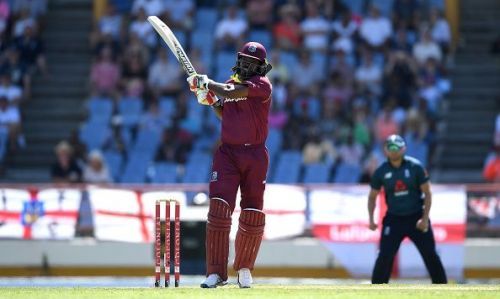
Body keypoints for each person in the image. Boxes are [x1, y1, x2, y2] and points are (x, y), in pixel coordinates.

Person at [186, 41, 272, 288]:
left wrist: (207, 84)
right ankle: (215, 273)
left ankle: (244, 269)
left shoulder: (261, 86)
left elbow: (232, 93)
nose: (246, 64)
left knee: (252, 213)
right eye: (244, 59)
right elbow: (226, 110)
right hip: (227, 154)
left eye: (252, 62)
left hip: (255, 156)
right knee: (219, 210)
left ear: (261, 67)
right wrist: (210, 100)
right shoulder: (231, 83)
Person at [367, 134, 447, 284]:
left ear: (404, 148)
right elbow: (372, 196)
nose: (394, 151)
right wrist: (371, 220)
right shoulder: (381, 171)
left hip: (416, 217)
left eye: (397, 148)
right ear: (385, 150)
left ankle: (442, 288)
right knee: (384, 255)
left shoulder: (415, 167)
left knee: (430, 254)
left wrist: (424, 219)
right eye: (390, 148)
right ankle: (376, 290)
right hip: (394, 218)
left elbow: (427, 193)